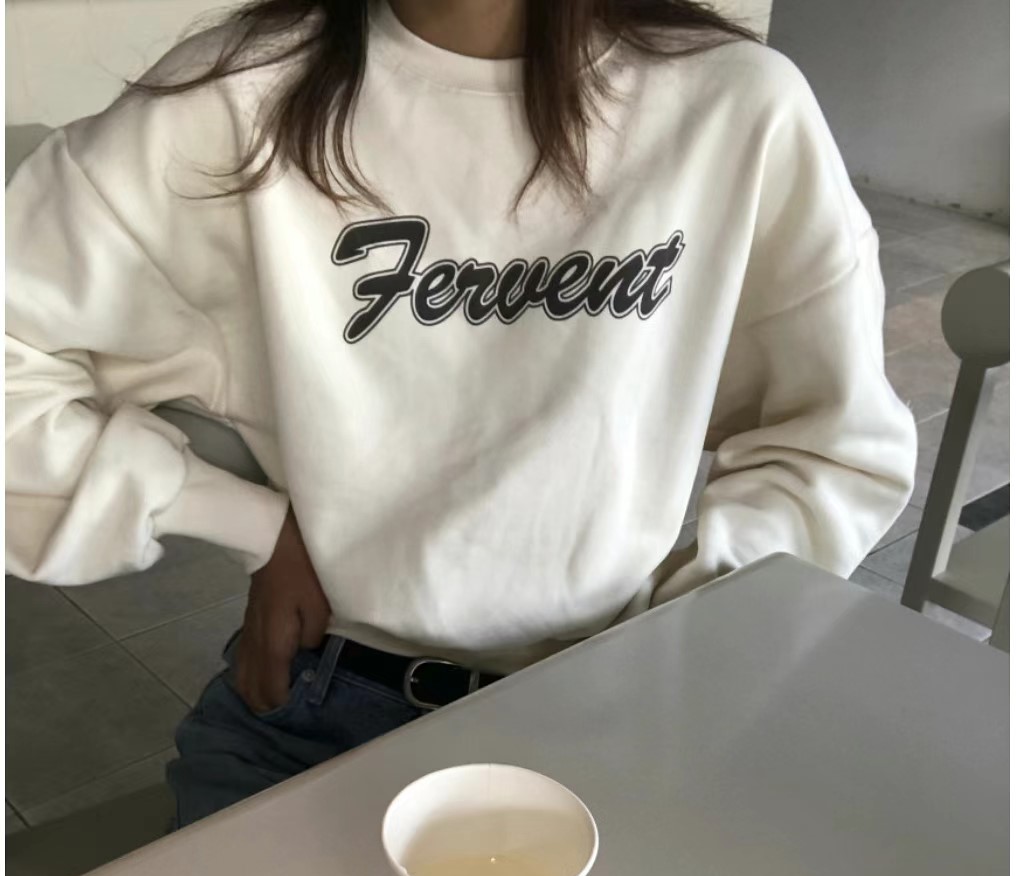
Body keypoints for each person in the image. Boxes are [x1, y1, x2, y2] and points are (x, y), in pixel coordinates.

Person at [5, 0, 916, 828]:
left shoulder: (735, 107)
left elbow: (831, 440)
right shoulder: (237, 98)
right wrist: (246, 520)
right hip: (317, 714)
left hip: (617, 723)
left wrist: (682, 648)